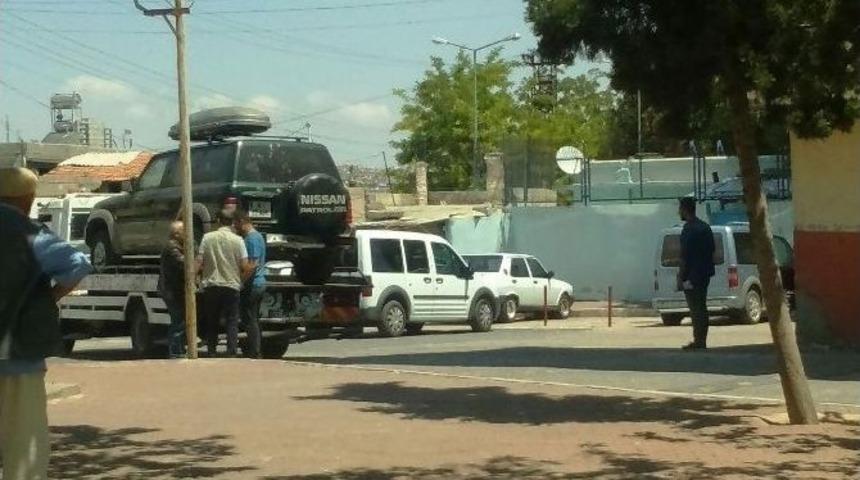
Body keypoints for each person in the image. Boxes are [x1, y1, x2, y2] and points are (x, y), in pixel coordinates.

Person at [0, 167, 92, 479]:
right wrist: (49, 297)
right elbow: (78, 266)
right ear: (28, 198)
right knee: (24, 442)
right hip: (19, 355)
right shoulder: (32, 234)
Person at [196, 209, 252, 357]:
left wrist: (193, 279)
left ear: (218, 221)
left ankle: (212, 350)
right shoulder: (238, 240)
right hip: (231, 285)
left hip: (212, 285)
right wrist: (241, 281)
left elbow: (199, 261)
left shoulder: (207, 238)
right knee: (232, 320)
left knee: (212, 319)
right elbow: (245, 265)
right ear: (232, 222)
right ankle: (231, 350)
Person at [677, 197, 716, 350]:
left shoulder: (688, 229)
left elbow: (684, 256)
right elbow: (712, 251)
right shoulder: (705, 227)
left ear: (685, 209)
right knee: (702, 306)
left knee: (695, 308)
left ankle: (698, 340)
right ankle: (702, 339)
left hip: (691, 276)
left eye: (680, 208)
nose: (678, 212)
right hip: (705, 274)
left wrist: (680, 277)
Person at [234, 211, 265, 359]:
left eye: (236, 223)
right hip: (258, 283)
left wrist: (241, 282)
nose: (235, 227)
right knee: (253, 319)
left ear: (242, 221)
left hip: (253, 284)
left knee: (250, 318)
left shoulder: (252, 239)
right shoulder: (257, 237)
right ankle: (255, 348)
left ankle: (255, 351)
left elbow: (252, 265)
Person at [158, 221, 187, 359]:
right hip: (171, 291)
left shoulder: (176, 245)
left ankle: (178, 348)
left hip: (173, 289)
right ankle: (175, 350)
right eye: (184, 231)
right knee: (178, 321)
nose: (187, 234)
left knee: (179, 320)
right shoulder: (172, 247)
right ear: (176, 234)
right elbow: (182, 263)